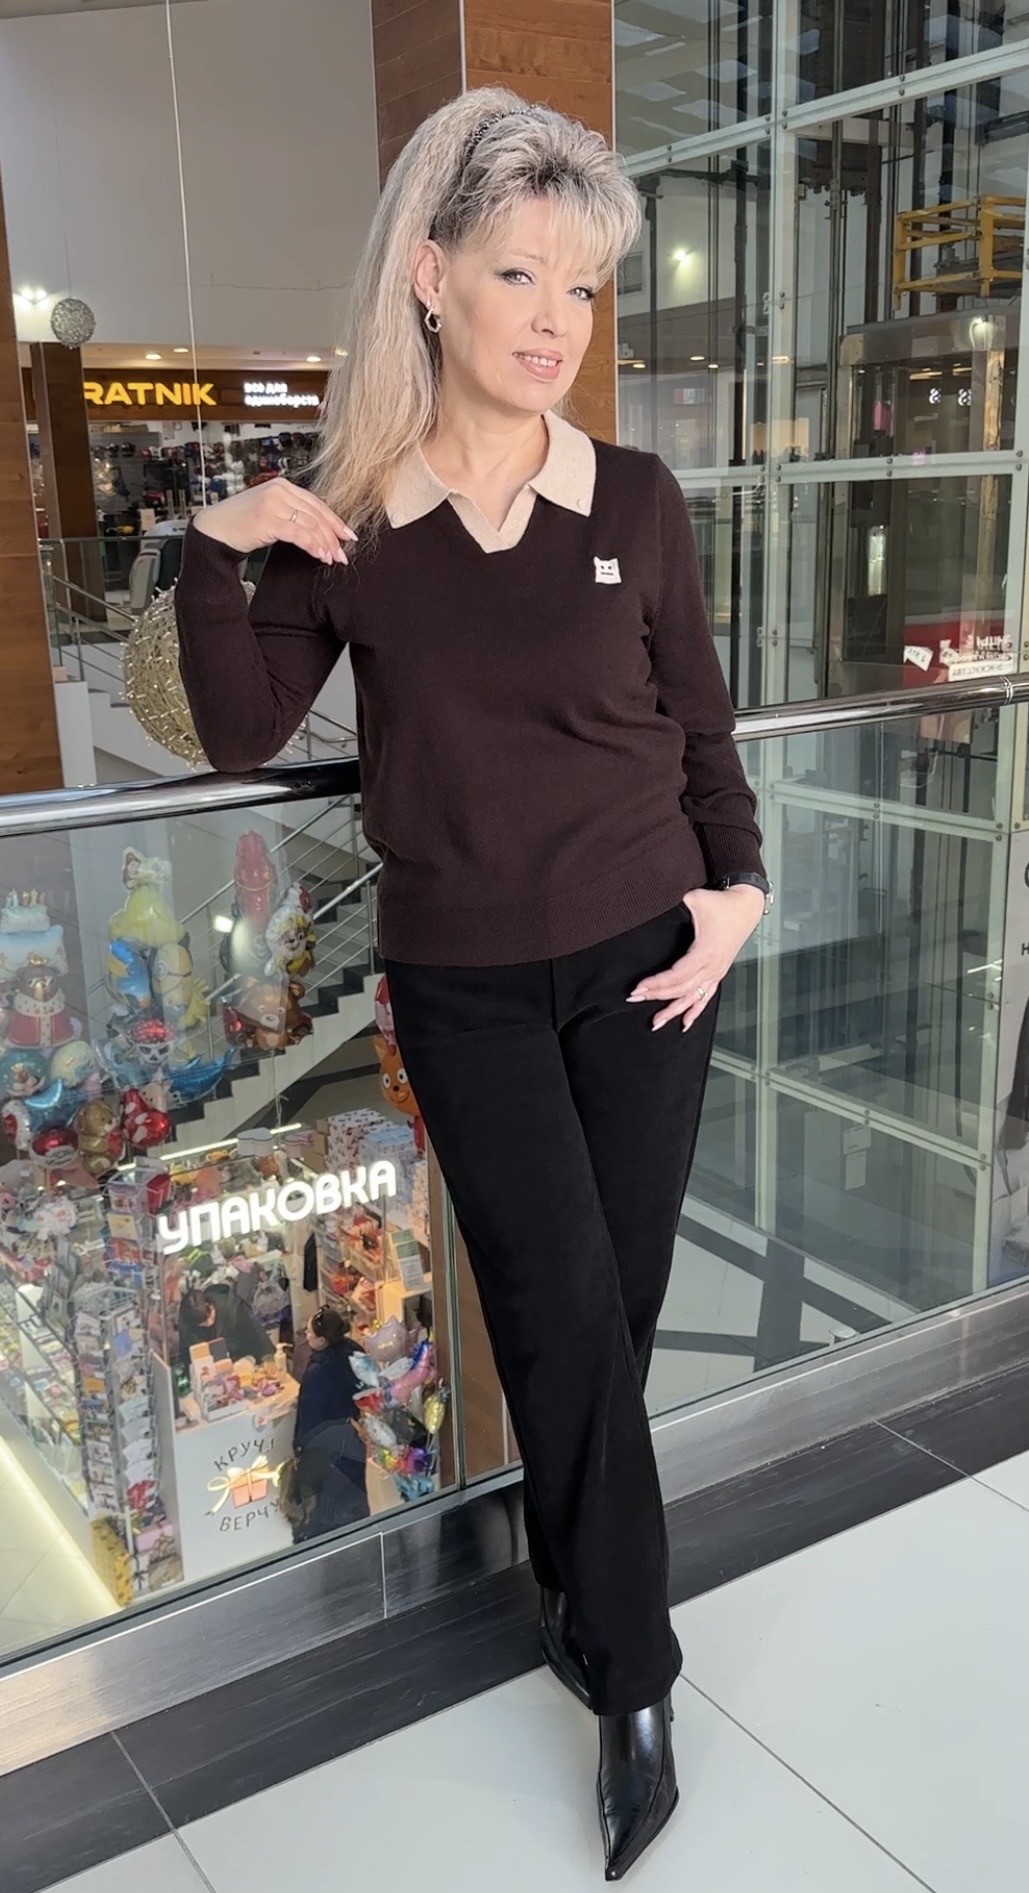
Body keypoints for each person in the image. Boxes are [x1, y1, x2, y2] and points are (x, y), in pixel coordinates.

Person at [174, 88, 770, 1882]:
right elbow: (238, 728)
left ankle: (575, 1582)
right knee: (564, 1312)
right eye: (518, 273)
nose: (552, 320)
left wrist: (736, 896)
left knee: (611, 1315)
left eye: (580, 288)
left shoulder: (636, 499)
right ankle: (635, 1677)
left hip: (655, 964)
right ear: (429, 277)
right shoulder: (358, 520)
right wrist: (221, 538)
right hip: (467, 986)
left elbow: (700, 731)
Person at [290, 1304, 368, 1540]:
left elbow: (309, 1416)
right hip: (354, 1435)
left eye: (310, 1332)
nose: (306, 1334)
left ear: (322, 1341)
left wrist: (299, 1446)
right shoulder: (354, 1350)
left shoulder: (317, 1372)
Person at [177, 1283, 275, 1367]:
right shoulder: (188, 1323)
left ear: (211, 1304)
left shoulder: (234, 1310)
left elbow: (260, 1339)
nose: (209, 1322)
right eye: (203, 1323)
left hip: (244, 1363)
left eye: (210, 1316)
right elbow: (186, 1358)